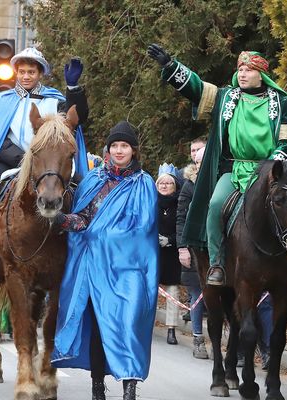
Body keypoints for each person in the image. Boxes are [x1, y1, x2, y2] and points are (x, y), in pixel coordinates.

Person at [148, 44, 287, 286]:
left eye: (248, 69)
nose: (242, 73)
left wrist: (276, 163)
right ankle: (217, 262)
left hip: (271, 172)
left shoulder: (285, 103)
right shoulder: (226, 98)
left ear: (261, 74)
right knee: (215, 204)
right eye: (240, 68)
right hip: (234, 170)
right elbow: (197, 89)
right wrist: (171, 66)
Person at [50, 122, 157, 400]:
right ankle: (98, 386)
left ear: (133, 150)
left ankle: (129, 388)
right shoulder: (94, 180)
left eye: (124, 146)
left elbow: (141, 229)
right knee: (98, 326)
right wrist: (62, 220)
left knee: (129, 325)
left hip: (129, 269)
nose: (119, 151)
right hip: (94, 268)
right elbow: (82, 219)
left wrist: (97, 233)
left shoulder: (144, 183)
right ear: (107, 150)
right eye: (114, 146)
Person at [0, 48, 90, 271]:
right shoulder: (3, 100)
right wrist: (26, 159)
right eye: (22, 72)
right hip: (12, 160)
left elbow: (78, 117)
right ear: (16, 73)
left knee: (81, 187)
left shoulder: (54, 99)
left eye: (31, 72)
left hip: (49, 163)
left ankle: (80, 243)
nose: (26, 76)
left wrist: (73, 89)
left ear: (40, 74)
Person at [176, 145, 209, 359]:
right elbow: (181, 218)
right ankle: (198, 338)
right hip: (195, 248)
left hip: (216, 247)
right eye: (198, 162)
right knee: (197, 295)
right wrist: (182, 248)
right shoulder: (189, 186)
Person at [155, 164, 181, 345]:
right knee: (149, 290)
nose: (164, 186)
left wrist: (170, 240)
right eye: (161, 183)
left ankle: (171, 328)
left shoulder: (180, 202)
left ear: (175, 185)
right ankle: (146, 324)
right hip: (153, 252)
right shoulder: (150, 201)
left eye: (168, 183)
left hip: (172, 253)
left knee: (173, 291)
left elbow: (183, 228)